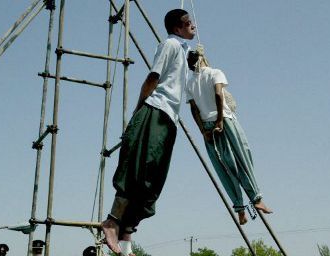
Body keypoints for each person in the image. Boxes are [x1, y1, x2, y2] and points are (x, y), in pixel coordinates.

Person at [101, 8, 196, 255]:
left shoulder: (185, 52)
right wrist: (138, 109)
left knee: (152, 181)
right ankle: (112, 221)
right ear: (177, 28)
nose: (192, 25)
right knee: (138, 168)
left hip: (170, 118)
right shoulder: (170, 45)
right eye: (188, 23)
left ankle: (126, 238)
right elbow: (153, 77)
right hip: (156, 109)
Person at [185, 50, 272, 225]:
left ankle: (240, 209)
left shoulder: (190, 82)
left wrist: (203, 131)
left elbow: (194, 109)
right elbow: (218, 94)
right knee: (242, 159)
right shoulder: (215, 72)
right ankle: (256, 199)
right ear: (202, 58)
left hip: (207, 126)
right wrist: (219, 120)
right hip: (224, 120)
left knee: (224, 168)